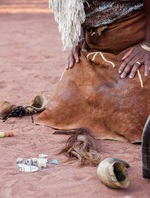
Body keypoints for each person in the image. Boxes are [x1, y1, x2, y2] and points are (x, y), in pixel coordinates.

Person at [36, 0, 150, 143]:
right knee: (66, 107)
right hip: (96, 49)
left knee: (136, 113)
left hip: (136, 48)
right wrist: (80, 38)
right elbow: (77, 6)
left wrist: (147, 46)